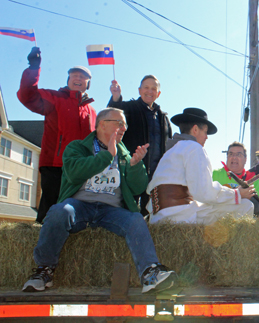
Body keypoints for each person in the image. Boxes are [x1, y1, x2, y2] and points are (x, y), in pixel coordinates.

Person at [22, 108, 177, 294]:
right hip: (79, 206)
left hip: (111, 210)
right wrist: (107, 156)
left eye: (125, 124)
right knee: (59, 211)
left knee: (136, 219)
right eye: (119, 123)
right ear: (102, 124)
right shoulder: (77, 147)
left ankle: (150, 273)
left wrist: (135, 166)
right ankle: (43, 271)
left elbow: (138, 188)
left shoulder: (125, 155)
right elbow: (74, 172)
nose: (124, 128)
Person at [17, 47, 97, 224]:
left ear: (88, 84)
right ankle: (42, 248)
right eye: (74, 75)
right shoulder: (54, 98)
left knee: (77, 212)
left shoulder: (91, 110)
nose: (78, 79)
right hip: (55, 165)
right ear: (68, 80)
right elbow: (27, 96)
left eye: (83, 77)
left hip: (81, 169)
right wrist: (33, 68)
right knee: (50, 210)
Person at [147, 108, 255, 225]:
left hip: (157, 218)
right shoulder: (194, 148)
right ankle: (230, 244)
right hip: (180, 216)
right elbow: (204, 192)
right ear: (195, 129)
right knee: (246, 205)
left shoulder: (170, 151)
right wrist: (236, 194)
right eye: (205, 132)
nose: (206, 137)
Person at [108, 75, 172, 215]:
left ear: (158, 93)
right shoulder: (129, 108)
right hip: (131, 171)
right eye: (146, 87)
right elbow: (112, 114)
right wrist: (116, 97)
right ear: (139, 90)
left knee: (150, 213)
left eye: (153, 89)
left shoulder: (163, 117)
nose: (149, 91)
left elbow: (169, 144)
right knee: (128, 211)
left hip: (155, 174)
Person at [212, 142, 259, 216]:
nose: (234, 157)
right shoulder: (215, 174)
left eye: (238, 154)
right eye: (231, 154)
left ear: (245, 159)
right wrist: (237, 195)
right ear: (227, 157)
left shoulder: (252, 178)